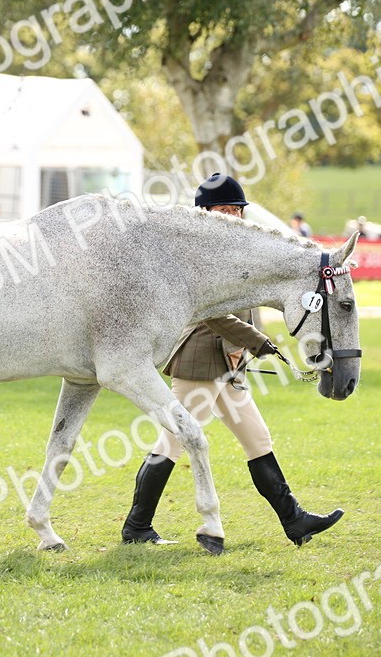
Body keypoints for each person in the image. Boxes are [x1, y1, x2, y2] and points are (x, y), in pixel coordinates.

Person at [121, 173, 344, 550]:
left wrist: (254, 342)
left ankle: (294, 519)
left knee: (257, 438)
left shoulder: (236, 248)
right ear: (204, 213)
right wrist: (257, 341)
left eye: (236, 210)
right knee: (173, 441)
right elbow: (213, 314)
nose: (232, 216)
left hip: (231, 360)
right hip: (202, 356)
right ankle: (136, 526)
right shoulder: (198, 254)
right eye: (223, 210)